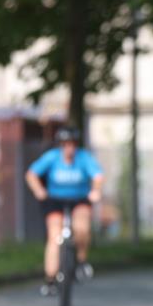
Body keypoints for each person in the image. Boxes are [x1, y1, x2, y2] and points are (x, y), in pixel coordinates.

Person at [25, 125, 103, 294]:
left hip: (79, 199)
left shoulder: (84, 158)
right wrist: (39, 190)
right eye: (66, 144)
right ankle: (50, 279)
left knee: (82, 228)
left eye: (73, 144)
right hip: (55, 200)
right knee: (54, 236)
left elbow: (97, 176)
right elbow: (31, 174)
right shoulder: (52, 158)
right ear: (61, 145)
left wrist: (96, 191)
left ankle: (81, 261)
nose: (70, 148)